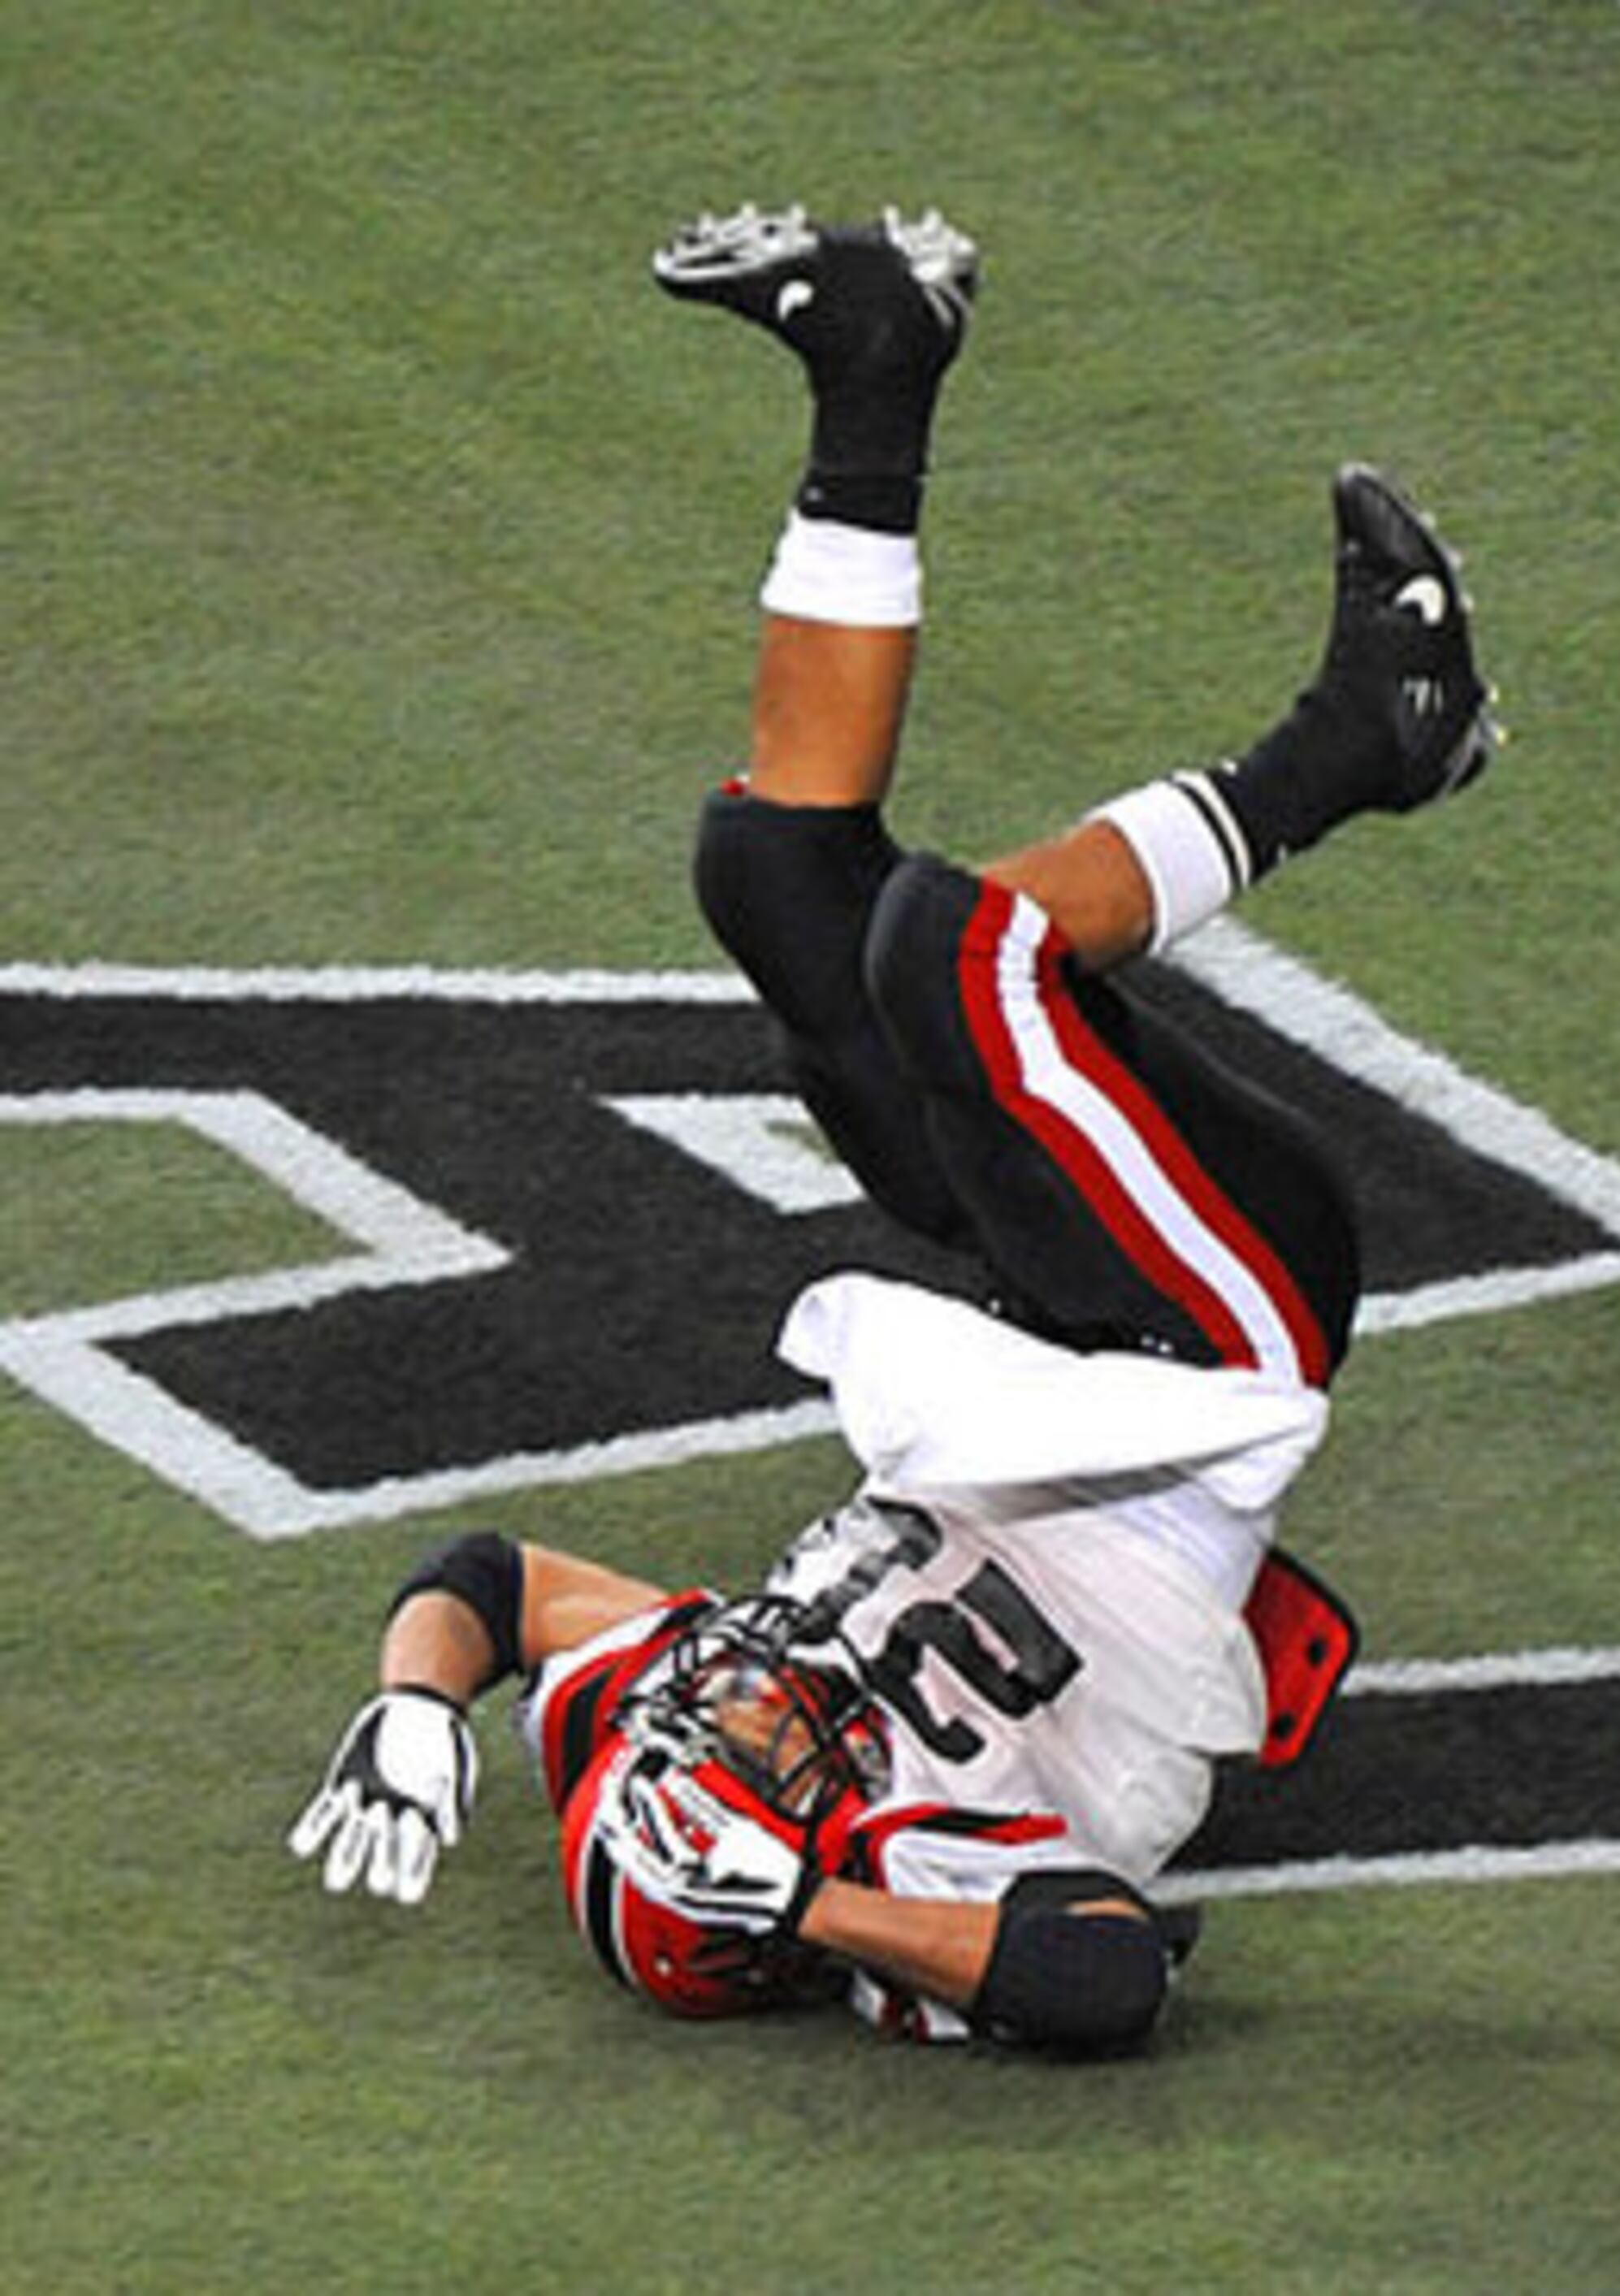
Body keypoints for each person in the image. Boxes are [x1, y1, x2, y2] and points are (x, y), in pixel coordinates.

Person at [287, 202, 1495, 2051]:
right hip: (1210, 1343)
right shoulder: (909, 1868)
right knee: (958, 946)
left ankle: (878, 366)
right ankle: (1359, 742)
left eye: (709, 1722)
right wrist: (812, 1893)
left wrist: (418, 1702)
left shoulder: (673, 1725)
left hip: (1054, 1328)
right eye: (751, 1758)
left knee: (777, 876)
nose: (743, 1693)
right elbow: (1110, 1979)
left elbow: (498, 1583)